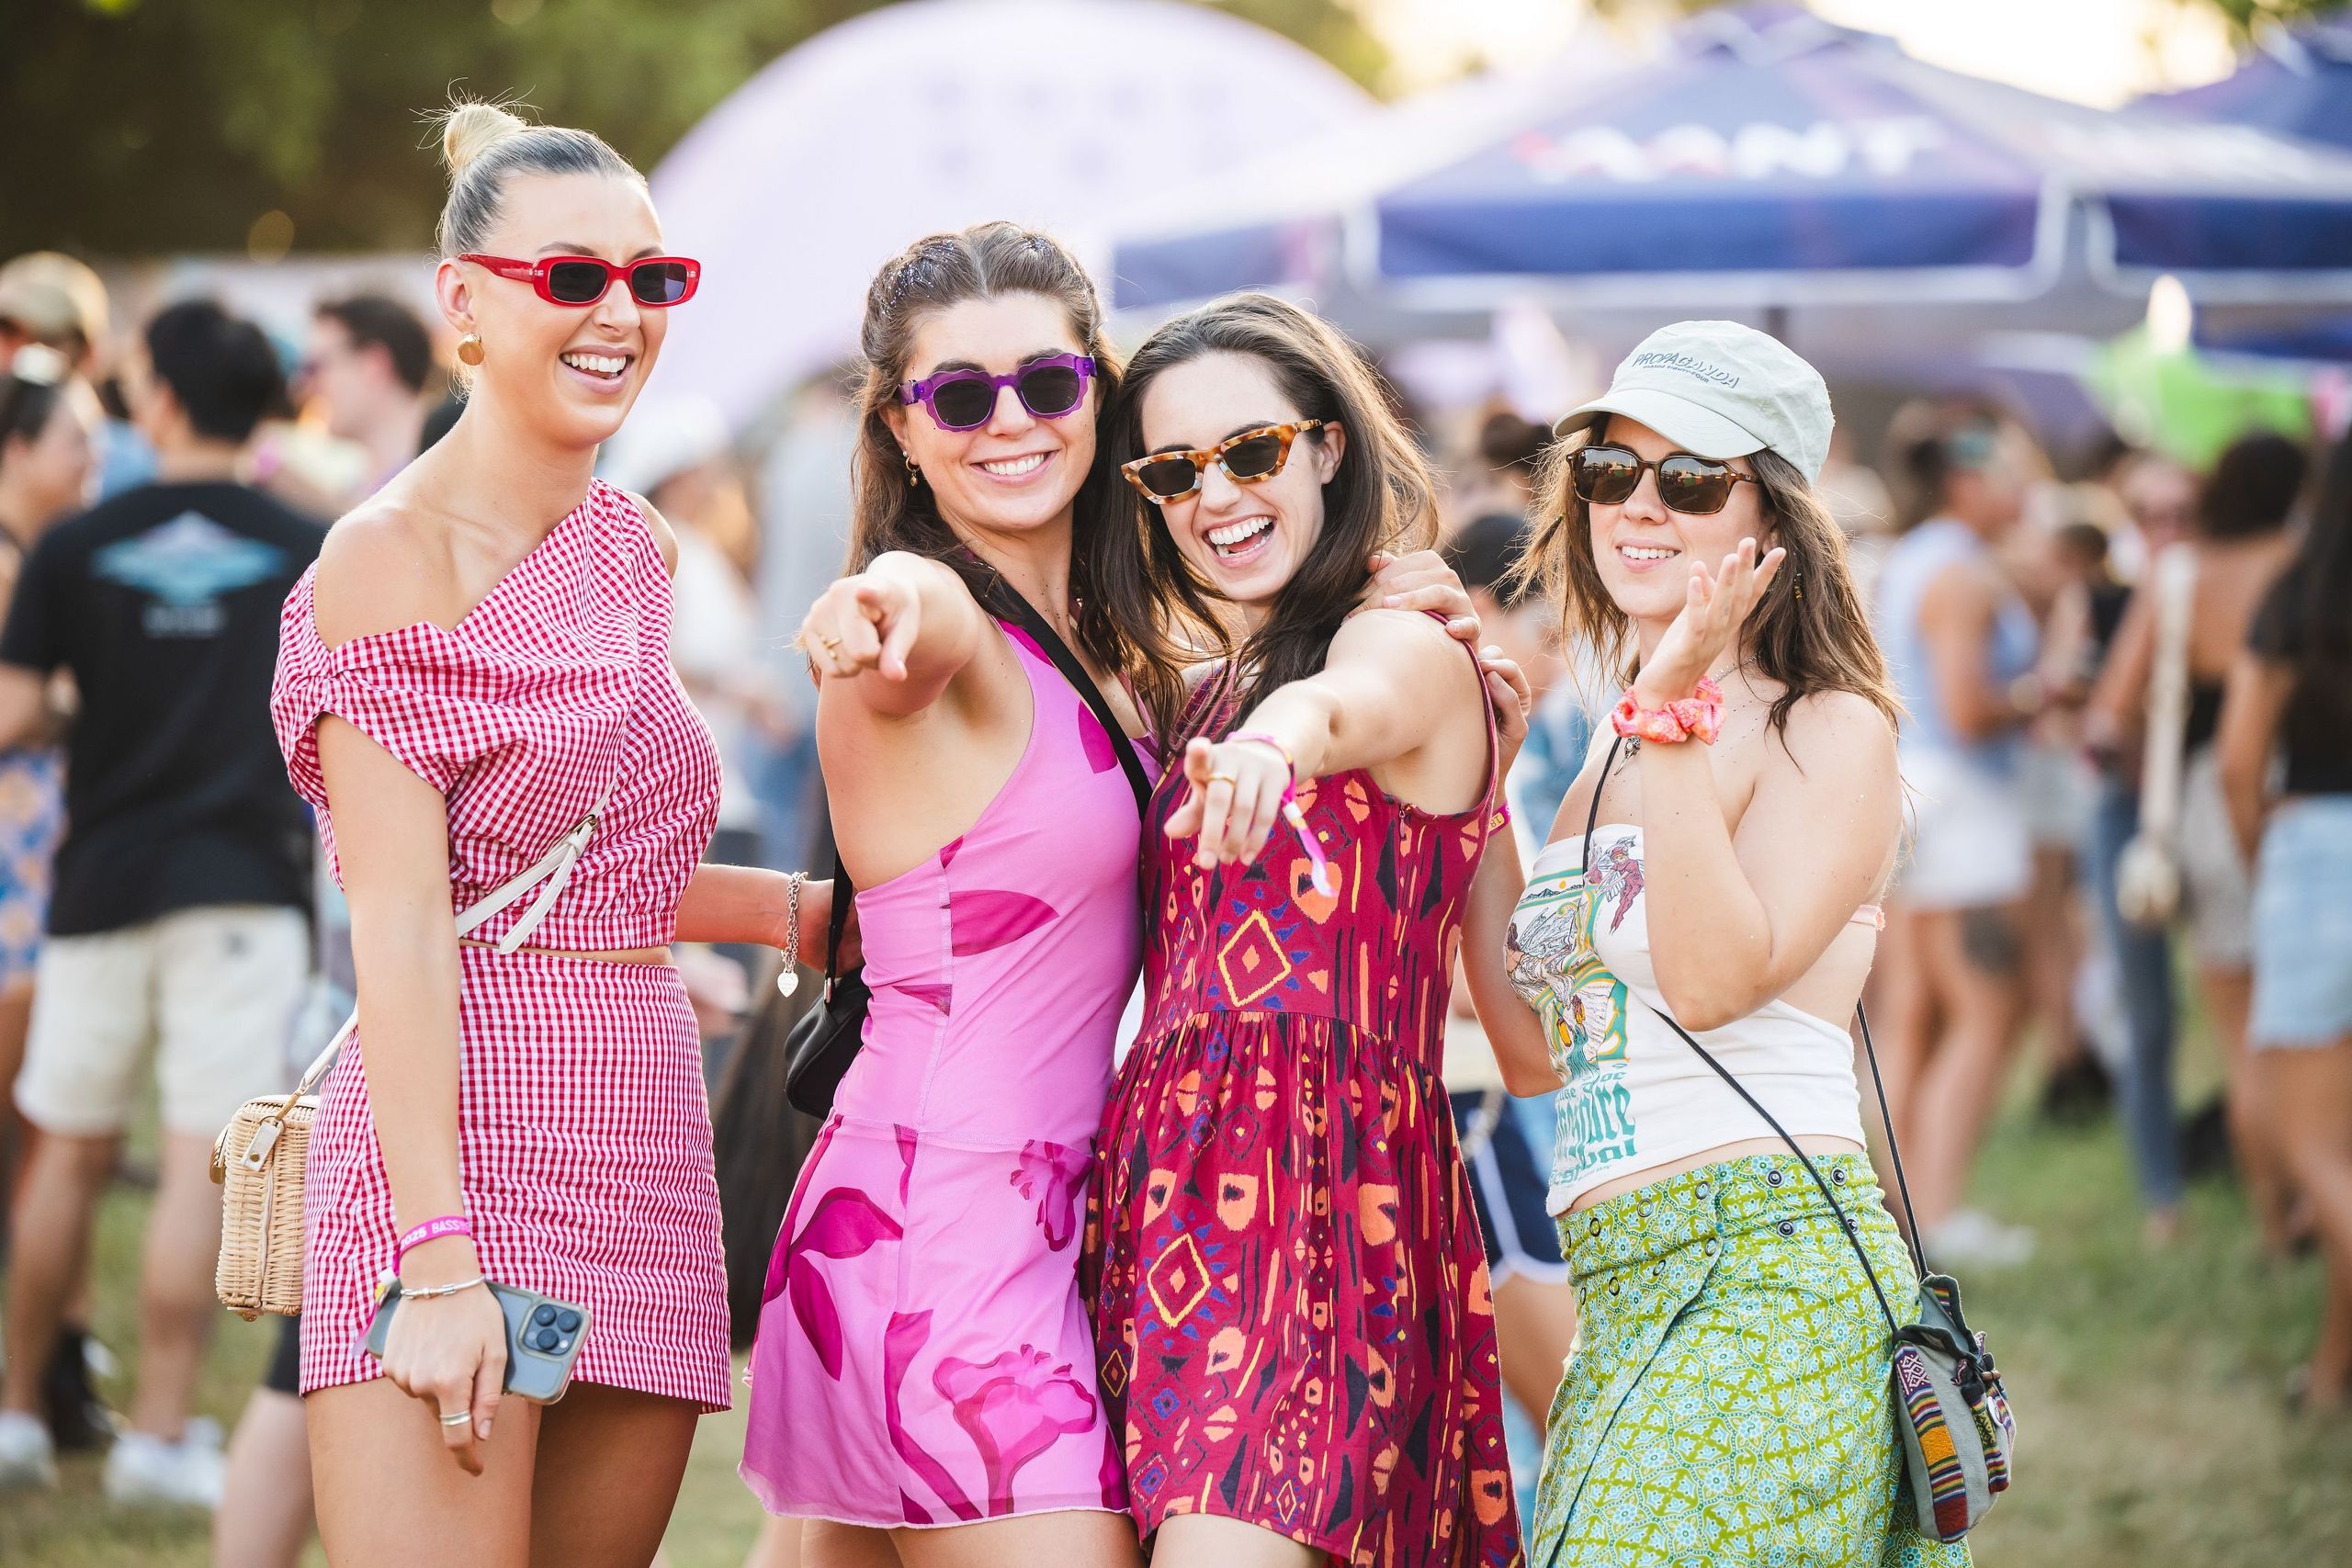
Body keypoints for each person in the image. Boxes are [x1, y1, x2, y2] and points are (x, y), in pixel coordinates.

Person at [741, 227, 1477, 1565]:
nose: (1008, 421)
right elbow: (917, 621)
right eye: (958, 397)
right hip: (944, 1228)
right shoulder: (945, 626)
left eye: (1046, 383)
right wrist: (879, 601)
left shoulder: (1118, 659)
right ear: (903, 432)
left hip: (1053, 1225)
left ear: (1099, 395)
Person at [266, 101, 831, 1566]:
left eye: (653, 279)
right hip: (453, 1156)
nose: (622, 315)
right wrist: (435, 1255)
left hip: (643, 1136)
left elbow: (584, 885)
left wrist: (805, 912)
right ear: (464, 304)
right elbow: (399, 919)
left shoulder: (632, 545)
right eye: (573, 278)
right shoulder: (381, 561)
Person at [1458, 321, 1964, 1564]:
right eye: (1608, 472)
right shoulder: (1606, 766)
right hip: (1621, 1290)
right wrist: (1473, 792)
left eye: (1688, 478)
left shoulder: (1828, 727)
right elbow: (1533, 1052)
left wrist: (1672, 705)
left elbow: (1714, 976)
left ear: (1771, 521)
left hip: (1771, 1264)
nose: (1638, 504)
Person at [1082, 294, 1521, 1567]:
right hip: (1158, 1200)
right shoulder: (1202, 682)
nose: (1215, 493)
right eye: (1174, 469)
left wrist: (1276, 748)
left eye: (1253, 450)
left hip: (1326, 1208)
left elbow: (1345, 707)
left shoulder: (1405, 637)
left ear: (1329, 446)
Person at [0, 299, 322, 1504]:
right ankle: (157, 1432)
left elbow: (12, 712)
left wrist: (95, 708)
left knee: (68, 1151)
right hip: (245, 888)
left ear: (165, 400)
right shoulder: (313, 543)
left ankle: (20, 1412)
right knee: (206, 1157)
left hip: (97, 879)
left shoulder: (80, 544)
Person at [2090, 432, 2308, 1248]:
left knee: (2243, 1034)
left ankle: (2273, 1226)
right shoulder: (2307, 565)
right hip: (2310, 791)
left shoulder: (2180, 576)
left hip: (2209, 800)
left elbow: (2110, 707)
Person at [1871, 400, 2042, 1266]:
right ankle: (1937, 1211)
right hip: (1964, 801)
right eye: (2009, 471)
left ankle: (1904, 1213)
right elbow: (1971, 709)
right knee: (1983, 1012)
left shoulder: (1916, 559)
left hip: (1921, 794)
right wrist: (2047, 696)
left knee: (1917, 1015)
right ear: (1966, 478)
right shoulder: (1962, 573)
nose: (2024, 488)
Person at [2219, 431, 2352, 1411]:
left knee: (2315, 1149)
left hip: (2314, 852)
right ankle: (2328, 1377)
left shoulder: (2298, 599)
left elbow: (2236, 762)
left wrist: (2265, 850)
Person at [0, 349, 107, 1456]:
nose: (92, 456)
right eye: (72, 437)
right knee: (37, 1130)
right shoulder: (9, 566)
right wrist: (82, 689)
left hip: (40, 867)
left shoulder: (45, 558)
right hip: (12, 879)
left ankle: (55, 1364)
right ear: (17, 450)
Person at [303, 293, 436, 499]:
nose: (306, 386)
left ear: (373, 365)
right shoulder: (355, 488)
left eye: (317, 367)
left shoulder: (436, 491)